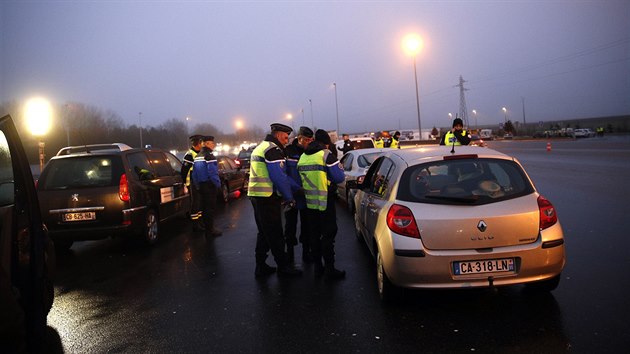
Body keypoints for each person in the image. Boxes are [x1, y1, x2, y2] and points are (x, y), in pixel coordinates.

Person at [248, 123, 303, 278]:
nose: (287, 140)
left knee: (264, 233)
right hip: (267, 197)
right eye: (286, 137)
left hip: (257, 195)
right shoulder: (272, 150)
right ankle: (284, 267)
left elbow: (282, 176)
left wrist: (296, 188)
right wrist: (289, 197)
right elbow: (278, 177)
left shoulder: (262, 146)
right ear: (278, 135)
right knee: (275, 232)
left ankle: (261, 266)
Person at [298, 129, 346, 279]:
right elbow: (339, 177)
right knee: (328, 235)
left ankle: (318, 268)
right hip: (325, 202)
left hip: (310, 204)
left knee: (314, 236)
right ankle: (330, 270)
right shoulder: (325, 155)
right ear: (325, 143)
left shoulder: (303, 157)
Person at [284, 126, 314, 264]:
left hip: (306, 195)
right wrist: (296, 188)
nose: (308, 142)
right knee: (290, 227)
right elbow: (284, 175)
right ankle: (289, 256)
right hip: (291, 195)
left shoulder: (310, 152)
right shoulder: (288, 152)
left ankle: (306, 252)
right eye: (306, 140)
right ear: (300, 138)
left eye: (310, 140)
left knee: (307, 226)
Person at [192, 135, 222, 238]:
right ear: (207, 144)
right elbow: (213, 173)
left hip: (201, 185)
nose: (214, 145)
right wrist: (218, 185)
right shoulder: (209, 156)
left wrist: (197, 185)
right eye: (212, 143)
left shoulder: (197, 156)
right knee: (210, 208)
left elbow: (194, 173)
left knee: (204, 208)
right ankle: (210, 230)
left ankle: (207, 229)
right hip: (209, 185)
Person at [181, 135, 205, 231]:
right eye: (201, 143)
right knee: (195, 203)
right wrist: (185, 184)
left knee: (199, 202)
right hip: (192, 182)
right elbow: (184, 171)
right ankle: (195, 224)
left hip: (199, 182)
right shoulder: (189, 155)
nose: (202, 145)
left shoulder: (199, 153)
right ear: (197, 144)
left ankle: (200, 222)